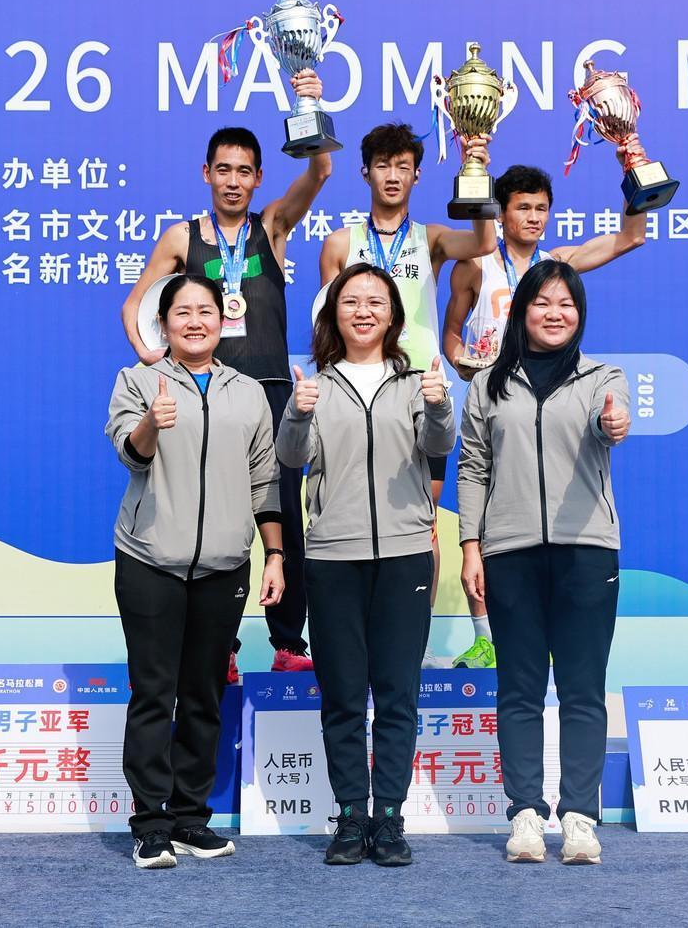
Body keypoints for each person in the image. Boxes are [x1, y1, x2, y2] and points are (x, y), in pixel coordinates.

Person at [120, 71, 330, 677]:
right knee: (212, 514)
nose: (233, 181)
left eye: (244, 171)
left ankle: (289, 643)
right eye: (223, 170)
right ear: (206, 174)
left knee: (281, 516)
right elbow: (135, 306)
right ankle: (223, 649)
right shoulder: (181, 238)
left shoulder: (273, 227)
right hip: (203, 396)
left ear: (258, 177)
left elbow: (319, 171)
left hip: (270, 394)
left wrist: (310, 102)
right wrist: (153, 358)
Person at [276, 263, 456, 868]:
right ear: (333, 314)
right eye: (350, 301)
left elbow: (439, 446)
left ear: (394, 316)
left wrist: (438, 406)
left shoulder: (415, 383)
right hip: (333, 557)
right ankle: (352, 815)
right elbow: (292, 458)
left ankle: (391, 818)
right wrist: (298, 412)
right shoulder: (317, 385)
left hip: (405, 554)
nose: (363, 311)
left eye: (375, 301)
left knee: (398, 694)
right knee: (344, 696)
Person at [106, 275, 286, 869]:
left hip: (224, 566)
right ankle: (150, 823)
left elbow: (265, 481)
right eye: (181, 312)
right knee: (154, 693)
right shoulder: (137, 381)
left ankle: (189, 818)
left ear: (223, 319)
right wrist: (152, 422)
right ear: (164, 323)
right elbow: (130, 454)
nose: (194, 322)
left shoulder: (248, 393)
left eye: (205, 311)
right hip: (150, 560)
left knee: (205, 694)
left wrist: (275, 554)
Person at [456, 260, 632, 866]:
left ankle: (580, 816)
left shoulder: (603, 378)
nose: (555, 314)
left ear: (579, 315)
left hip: (587, 550)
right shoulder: (488, 385)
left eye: (567, 304)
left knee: (583, 690)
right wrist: (471, 545)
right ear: (521, 310)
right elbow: (473, 467)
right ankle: (525, 814)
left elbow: (612, 422)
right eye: (542, 302)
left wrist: (612, 422)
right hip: (510, 552)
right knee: (519, 689)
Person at [441, 152, 647, 669]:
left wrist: (635, 168)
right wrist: (464, 363)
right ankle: (485, 637)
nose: (533, 218)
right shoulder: (474, 266)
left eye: (541, 208)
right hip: (494, 398)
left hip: (551, 397)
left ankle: (546, 634)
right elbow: (451, 333)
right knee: (486, 507)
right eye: (522, 207)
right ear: (501, 213)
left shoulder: (558, 264)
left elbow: (630, 238)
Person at [316, 123, 496, 625]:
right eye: (382, 165)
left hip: (420, 392)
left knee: (422, 523)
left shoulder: (430, 239)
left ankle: (415, 638)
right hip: (356, 392)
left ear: (417, 175)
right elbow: (327, 325)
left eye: (402, 166)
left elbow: (484, 242)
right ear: (365, 173)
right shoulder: (338, 244)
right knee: (354, 511)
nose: (392, 175)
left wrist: (477, 170)